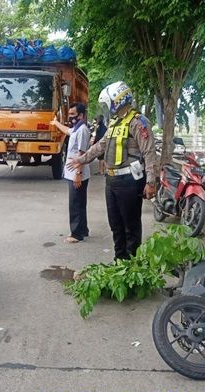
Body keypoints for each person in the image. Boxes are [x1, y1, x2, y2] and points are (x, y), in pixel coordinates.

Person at [67, 81, 157, 261]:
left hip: (130, 182)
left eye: (107, 103)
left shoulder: (138, 122)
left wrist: (151, 182)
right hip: (112, 181)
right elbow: (101, 146)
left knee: (130, 226)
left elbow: (149, 151)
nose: (106, 107)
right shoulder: (115, 123)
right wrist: (82, 160)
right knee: (115, 225)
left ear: (117, 100)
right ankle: (119, 261)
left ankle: (131, 266)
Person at [51, 102, 91, 243]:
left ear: (81, 115)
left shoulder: (83, 131)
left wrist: (78, 174)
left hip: (77, 173)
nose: (70, 117)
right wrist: (56, 123)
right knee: (79, 202)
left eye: (73, 114)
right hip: (73, 173)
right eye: (69, 114)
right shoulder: (76, 128)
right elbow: (67, 131)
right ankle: (83, 230)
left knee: (75, 204)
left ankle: (76, 234)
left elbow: (82, 153)